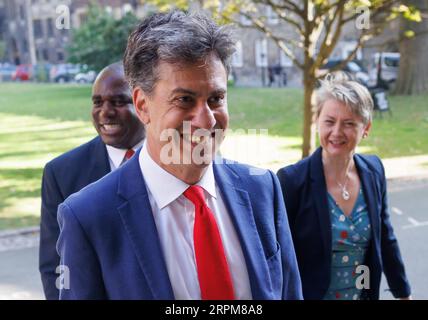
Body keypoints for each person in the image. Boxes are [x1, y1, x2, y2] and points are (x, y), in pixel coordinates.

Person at [56, 10, 302, 300]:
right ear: (142, 105)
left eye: (216, 99)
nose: (206, 120)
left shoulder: (263, 189)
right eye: (184, 100)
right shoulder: (88, 217)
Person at [277, 72, 411, 300]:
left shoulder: (374, 170)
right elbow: (278, 259)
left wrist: (403, 293)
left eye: (349, 123)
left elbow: (386, 237)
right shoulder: (291, 181)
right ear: (317, 121)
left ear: (366, 128)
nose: (337, 132)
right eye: (329, 121)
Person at [39, 62, 146, 300]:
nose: (105, 112)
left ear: (144, 104)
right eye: (97, 102)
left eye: (119, 102)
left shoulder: (177, 162)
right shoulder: (62, 173)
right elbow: (55, 267)